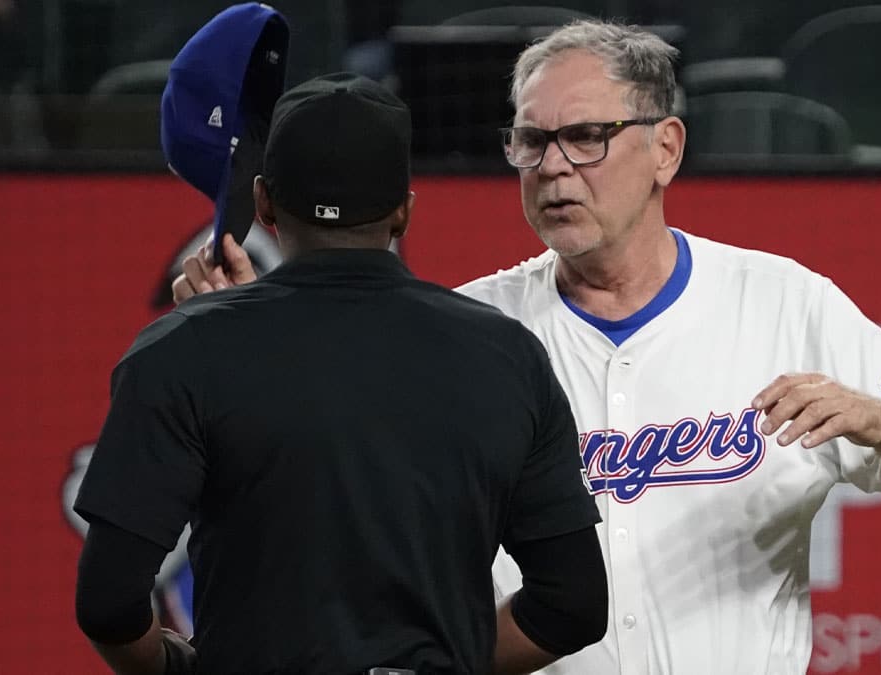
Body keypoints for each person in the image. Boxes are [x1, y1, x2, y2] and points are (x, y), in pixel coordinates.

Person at [173, 20, 881, 675]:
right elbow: (321, 467)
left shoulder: (780, 301)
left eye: (588, 137)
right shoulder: (468, 331)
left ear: (665, 148)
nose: (555, 167)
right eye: (532, 142)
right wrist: (242, 334)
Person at [74, 72, 608, 675]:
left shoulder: (180, 351)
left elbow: (109, 603)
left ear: (265, 203)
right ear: (404, 212)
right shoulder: (507, 354)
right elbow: (575, 605)